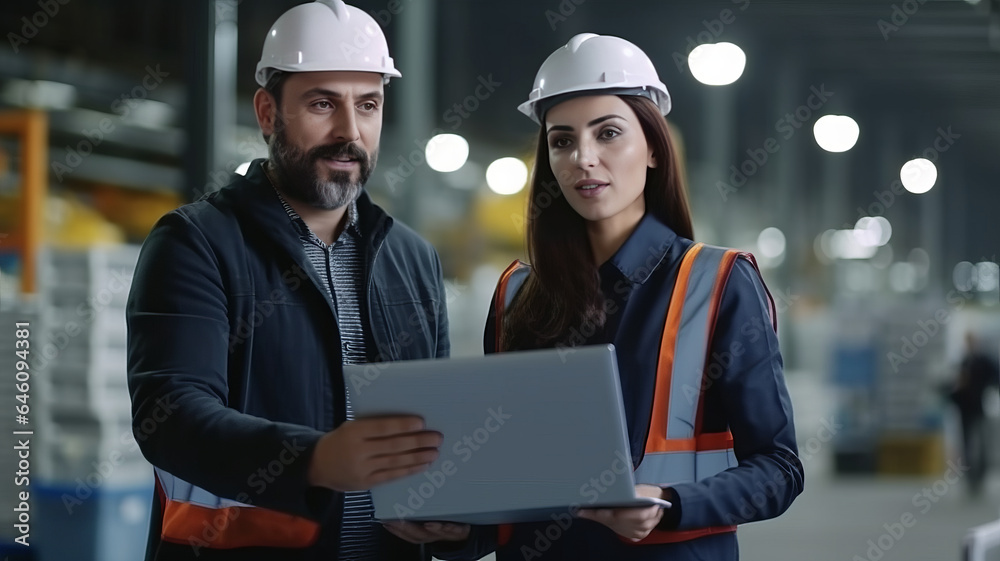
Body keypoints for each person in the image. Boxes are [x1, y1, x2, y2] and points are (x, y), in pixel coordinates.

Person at [127, 1, 482, 559]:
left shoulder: (414, 259)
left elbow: (431, 433)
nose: (350, 131)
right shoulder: (196, 242)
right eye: (322, 103)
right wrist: (313, 461)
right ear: (268, 113)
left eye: (368, 105)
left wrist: (462, 528)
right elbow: (169, 416)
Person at [479, 33, 804, 560]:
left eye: (608, 133)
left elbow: (779, 469)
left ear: (654, 147)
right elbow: (506, 473)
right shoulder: (517, 293)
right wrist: (460, 532)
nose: (583, 157)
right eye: (561, 140)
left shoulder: (718, 283)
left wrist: (671, 502)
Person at [948, 331, 1000, 495]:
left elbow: (995, 378)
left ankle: (980, 476)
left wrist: (989, 393)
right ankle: (970, 478)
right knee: (967, 444)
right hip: (965, 409)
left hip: (980, 408)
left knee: (982, 443)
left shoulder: (984, 361)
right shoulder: (964, 362)